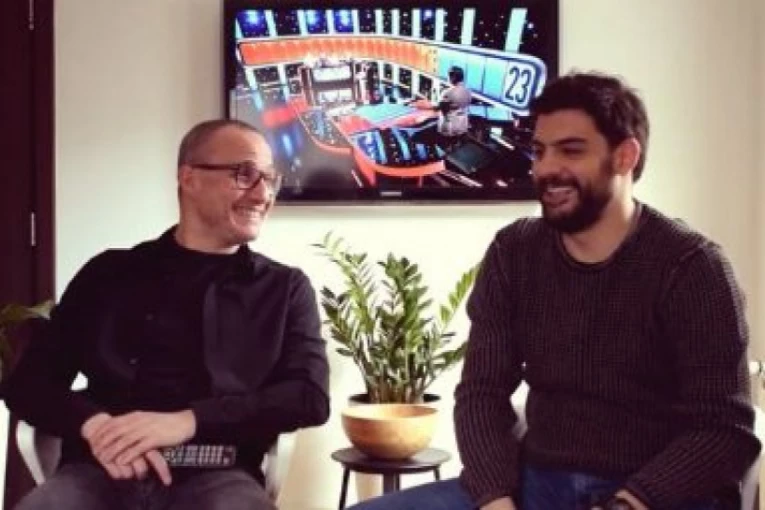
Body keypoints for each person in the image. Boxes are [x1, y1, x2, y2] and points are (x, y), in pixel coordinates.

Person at [348, 72, 761, 510]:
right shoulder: (515, 252)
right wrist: (495, 498)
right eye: (540, 150)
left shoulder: (692, 266)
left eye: (571, 150)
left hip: (655, 494)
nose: (545, 169)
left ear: (624, 156)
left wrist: (629, 503)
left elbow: (725, 429)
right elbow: (481, 395)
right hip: (536, 485)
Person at [4, 119, 330, 510]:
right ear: (189, 178)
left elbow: (308, 397)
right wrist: (95, 426)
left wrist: (188, 421)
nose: (263, 194)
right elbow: (29, 383)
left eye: (270, 179)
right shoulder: (107, 274)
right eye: (244, 174)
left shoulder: (284, 288)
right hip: (101, 469)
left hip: (219, 473)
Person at [410, 66, 472, 150]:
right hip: (462, 125)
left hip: (449, 128)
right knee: (455, 146)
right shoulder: (468, 91)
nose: (448, 78)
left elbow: (438, 108)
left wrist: (421, 105)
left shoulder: (448, 92)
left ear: (453, 77)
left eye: (449, 76)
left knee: (443, 147)